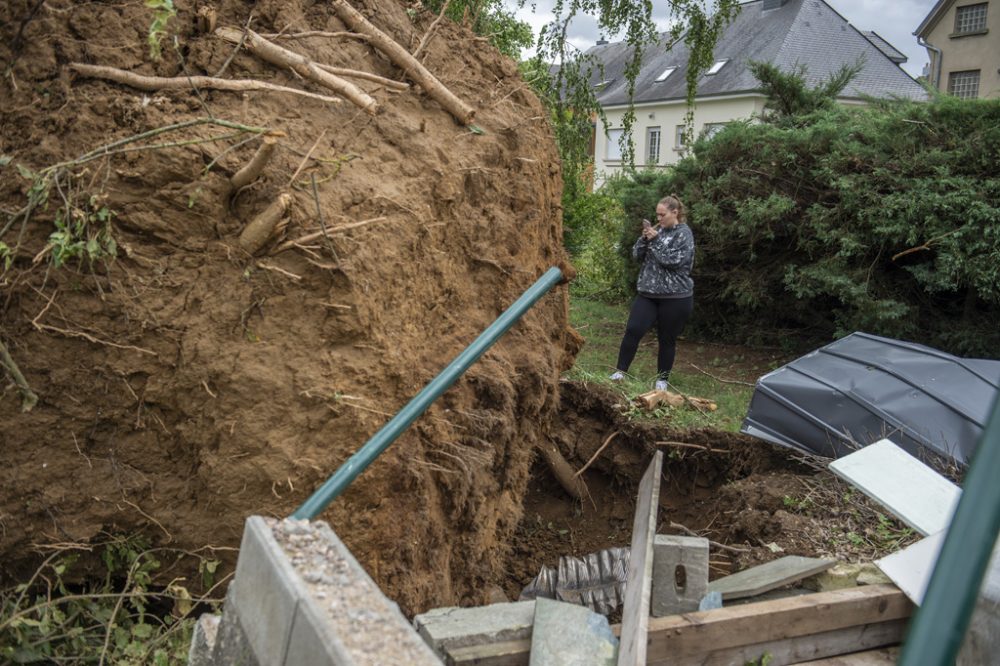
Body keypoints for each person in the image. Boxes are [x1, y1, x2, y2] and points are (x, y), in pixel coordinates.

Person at [610, 195, 694, 391]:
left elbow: (674, 261)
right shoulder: (657, 231)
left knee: (667, 339)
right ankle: (619, 372)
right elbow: (636, 256)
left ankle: (662, 381)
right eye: (657, 214)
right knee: (633, 330)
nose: (659, 218)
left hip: (676, 297)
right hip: (648, 294)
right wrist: (643, 240)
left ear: (675, 213)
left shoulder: (684, 233)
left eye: (662, 214)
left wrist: (655, 241)